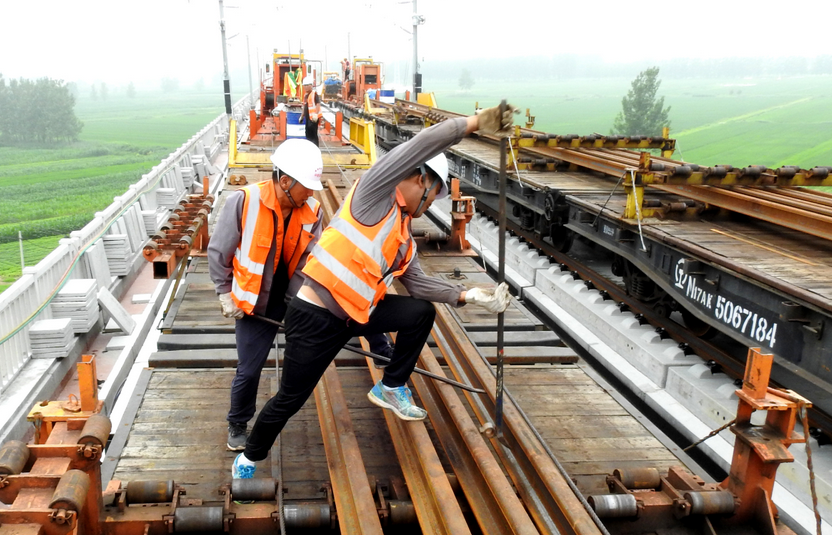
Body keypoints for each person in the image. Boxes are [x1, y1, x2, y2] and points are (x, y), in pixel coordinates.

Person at [231, 104, 516, 479]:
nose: (429, 206)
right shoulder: (375, 193)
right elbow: (422, 144)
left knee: (419, 313)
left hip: (354, 318)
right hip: (314, 318)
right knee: (290, 399)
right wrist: (476, 124)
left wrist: (469, 296)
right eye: (430, 197)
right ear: (418, 179)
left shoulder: (403, 237)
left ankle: (391, 386)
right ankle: (249, 457)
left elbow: (418, 284)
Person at [208, 138, 392, 451]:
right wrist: (224, 292)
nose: (310, 192)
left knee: (343, 312)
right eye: (306, 187)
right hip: (254, 305)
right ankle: (238, 422)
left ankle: (381, 344)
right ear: (285, 181)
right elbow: (218, 251)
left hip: (295, 298)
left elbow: (314, 257)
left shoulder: (313, 210)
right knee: (249, 369)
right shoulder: (244, 201)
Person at [300, 76, 321, 147]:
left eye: (307, 85)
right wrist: (302, 116)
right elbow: (304, 106)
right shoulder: (305, 96)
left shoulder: (314, 94)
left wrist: (316, 114)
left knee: (313, 135)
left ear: (311, 85)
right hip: (308, 118)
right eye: (304, 85)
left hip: (313, 119)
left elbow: (318, 104)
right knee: (308, 133)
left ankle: (315, 148)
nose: (305, 87)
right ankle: (310, 148)